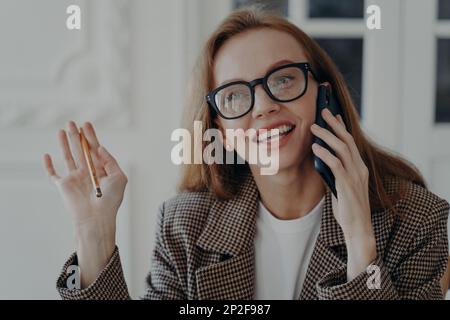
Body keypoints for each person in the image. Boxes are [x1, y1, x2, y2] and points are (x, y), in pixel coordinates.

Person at [44, 7, 449, 300]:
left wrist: (361, 243)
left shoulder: (414, 220)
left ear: (323, 95)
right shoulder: (185, 224)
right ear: (219, 124)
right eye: (235, 94)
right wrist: (94, 236)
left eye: (284, 79)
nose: (263, 107)